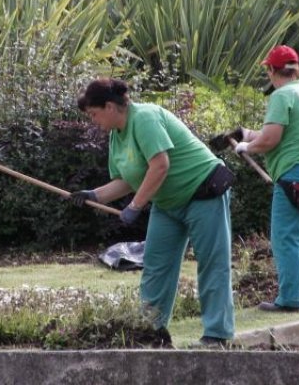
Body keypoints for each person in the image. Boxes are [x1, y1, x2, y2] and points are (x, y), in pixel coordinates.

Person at [72, 77, 235, 347]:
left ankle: (216, 335)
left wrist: (135, 206)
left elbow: (160, 165)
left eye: (94, 114)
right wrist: (93, 195)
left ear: (111, 106)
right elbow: (126, 180)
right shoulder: (116, 136)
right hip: (168, 202)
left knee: (212, 264)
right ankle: (151, 332)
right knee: (156, 266)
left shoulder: (144, 118)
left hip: (203, 190)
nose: (94, 121)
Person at [222, 45, 299, 312]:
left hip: (295, 175)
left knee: (286, 239)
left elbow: (271, 139)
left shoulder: (281, 96)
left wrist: (245, 147)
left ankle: (290, 300)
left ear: (272, 70)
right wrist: (247, 133)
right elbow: (285, 132)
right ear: (297, 70)